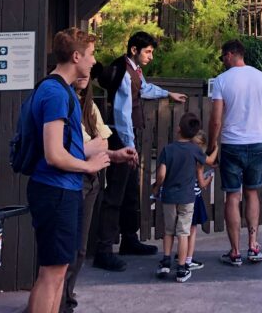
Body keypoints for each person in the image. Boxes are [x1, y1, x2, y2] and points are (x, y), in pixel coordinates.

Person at [26, 28, 110, 313]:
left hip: (65, 189)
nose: (94, 61)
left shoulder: (63, 92)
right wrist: (90, 165)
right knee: (50, 273)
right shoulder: (55, 93)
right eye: (91, 55)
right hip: (56, 190)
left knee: (59, 270)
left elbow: (70, 148)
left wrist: (108, 154)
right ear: (76, 56)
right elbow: (54, 154)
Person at [93, 32, 187, 271]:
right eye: (148, 52)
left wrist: (168, 94)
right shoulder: (124, 72)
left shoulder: (132, 69)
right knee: (115, 193)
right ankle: (103, 250)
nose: (151, 56)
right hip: (120, 139)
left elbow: (144, 89)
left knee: (130, 193)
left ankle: (129, 239)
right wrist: (129, 147)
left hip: (126, 138)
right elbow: (122, 114)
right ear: (134, 49)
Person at [61, 75, 137, 313]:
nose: (89, 70)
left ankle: (66, 300)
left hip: (90, 180)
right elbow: (72, 149)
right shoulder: (60, 99)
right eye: (87, 60)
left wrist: (112, 154)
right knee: (63, 253)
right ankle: (59, 304)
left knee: (80, 251)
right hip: (70, 181)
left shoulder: (88, 103)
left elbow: (102, 142)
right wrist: (90, 149)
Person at [208, 39, 262, 266]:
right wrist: (254, 121)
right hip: (256, 141)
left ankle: (235, 250)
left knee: (233, 196)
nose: (222, 61)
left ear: (229, 55)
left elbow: (216, 120)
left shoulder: (221, 81)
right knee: (252, 193)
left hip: (231, 143)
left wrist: (211, 145)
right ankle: (253, 245)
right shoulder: (261, 77)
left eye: (222, 57)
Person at [153, 113, 208, 283]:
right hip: (187, 197)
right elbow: (209, 161)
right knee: (183, 232)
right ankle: (182, 268)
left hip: (169, 196)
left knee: (169, 230)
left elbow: (161, 174)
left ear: (178, 129)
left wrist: (157, 187)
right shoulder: (195, 150)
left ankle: (166, 261)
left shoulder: (168, 150)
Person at [184, 130, 217, 271]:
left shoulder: (183, 155)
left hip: (182, 196)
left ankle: (181, 253)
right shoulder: (199, 161)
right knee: (192, 230)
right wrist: (209, 178)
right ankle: (188, 259)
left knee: (181, 230)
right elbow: (202, 183)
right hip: (194, 198)